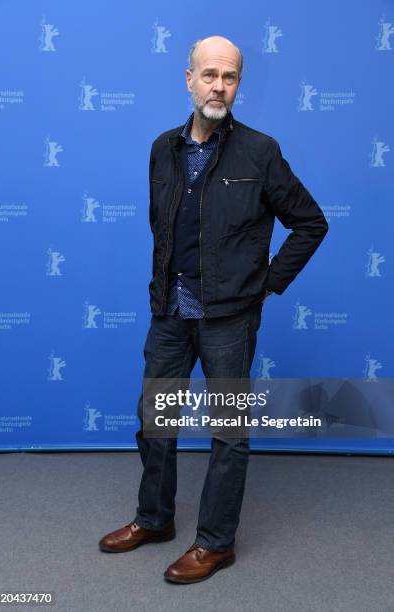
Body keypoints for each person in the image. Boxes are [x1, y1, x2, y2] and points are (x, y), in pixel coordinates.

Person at [99, 34, 328, 584]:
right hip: (170, 315)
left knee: (228, 432)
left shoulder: (260, 150)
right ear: (189, 79)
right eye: (209, 75)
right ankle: (154, 520)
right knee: (155, 422)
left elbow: (310, 222)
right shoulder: (162, 148)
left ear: (238, 85)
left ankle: (215, 543)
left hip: (229, 319)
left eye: (229, 77)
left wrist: (265, 283)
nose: (218, 86)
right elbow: (165, 227)